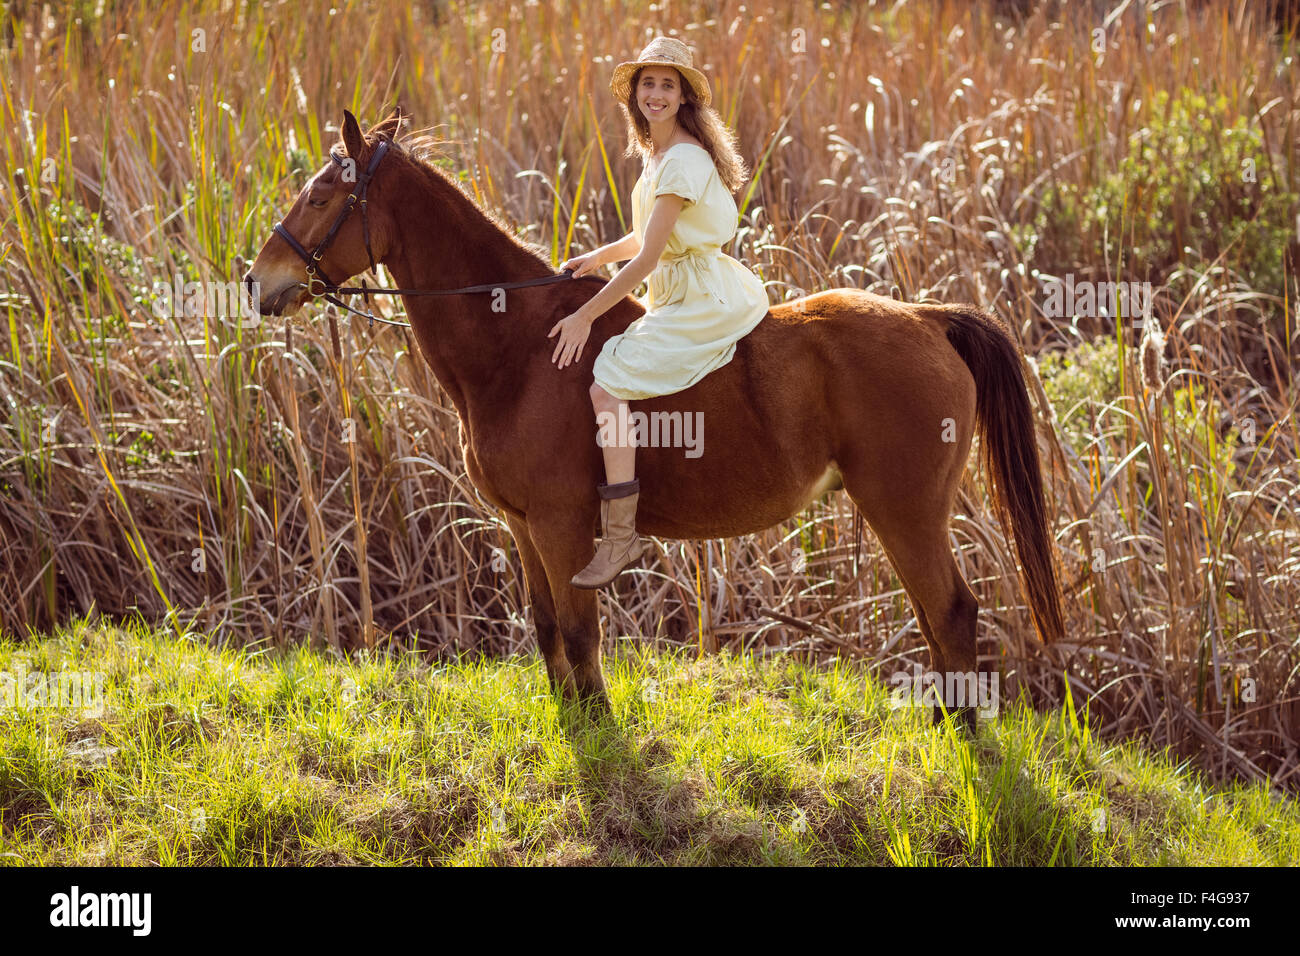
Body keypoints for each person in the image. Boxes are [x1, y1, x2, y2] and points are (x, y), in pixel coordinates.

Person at [548, 35, 770, 589]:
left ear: (683, 98)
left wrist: (584, 317)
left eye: (667, 85)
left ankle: (621, 535)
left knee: (605, 385)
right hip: (679, 286)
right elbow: (647, 239)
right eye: (648, 83)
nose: (655, 93)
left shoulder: (683, 161)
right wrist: (595, 258)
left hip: (698, 295)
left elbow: (650, 258)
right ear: (636, 95)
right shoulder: (659, 157)